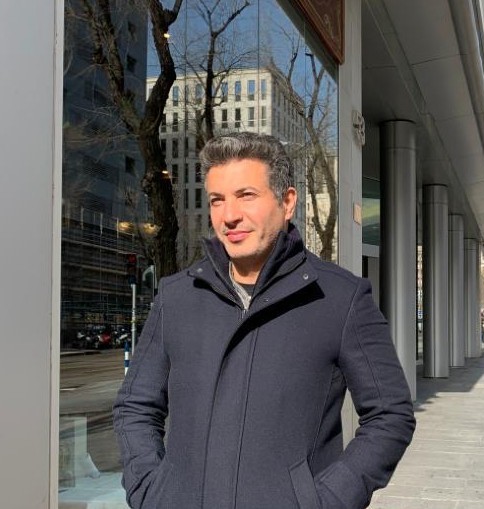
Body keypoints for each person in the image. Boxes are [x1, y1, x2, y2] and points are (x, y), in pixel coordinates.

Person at [113, 132, 416, 509]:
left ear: (287, 202)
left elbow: (390, 415)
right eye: (217, 200)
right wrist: (150, 489)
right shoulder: (176, 297)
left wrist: (328, 499)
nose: (229, 216)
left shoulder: (341, 298)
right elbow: (135, 405)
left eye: (246, 195)